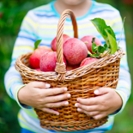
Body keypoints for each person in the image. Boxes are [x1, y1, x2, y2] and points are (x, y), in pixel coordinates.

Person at [4, 0, 131, 133]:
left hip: (95, 128)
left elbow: (120, 70)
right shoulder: (35, 18)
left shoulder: (110, 15)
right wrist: (22, 94)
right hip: (36, 129)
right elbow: (15, 71)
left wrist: (119, 99)